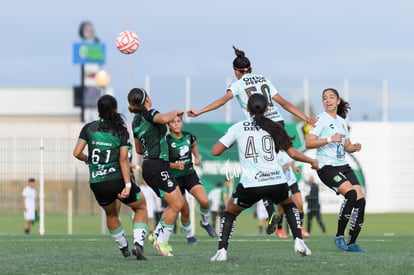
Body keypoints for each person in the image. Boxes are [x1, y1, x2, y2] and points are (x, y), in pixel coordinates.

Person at [187, 45, 317, 233]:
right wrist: (306, 118)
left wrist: (199, 111)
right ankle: (283, 206)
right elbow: (285, 103)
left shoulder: (238, 84)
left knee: (259, 169)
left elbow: (222, 101)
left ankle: (272, 210)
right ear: (251, 69)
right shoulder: (264, 79)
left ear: (236, 71)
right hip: (278, 124)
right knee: (278, 162)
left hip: (261, 125)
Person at [210, 94, 318, 261]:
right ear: (268, 108)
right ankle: (299, 240)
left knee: (230, 212)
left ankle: (221, 251)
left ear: (247, 108)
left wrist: (232, 141)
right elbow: (293, 153)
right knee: (289, 205)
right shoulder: (275, 127)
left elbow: (215, 151)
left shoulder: (238, 127)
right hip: (277, 181)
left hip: (251, 183)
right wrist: (312, 160)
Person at [73, 94, 148, 260]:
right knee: (141, 207)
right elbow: (123, 160)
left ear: (99, 111)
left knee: (111, 215)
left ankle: (124, 247)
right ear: (115, 109)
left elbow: (77, 153)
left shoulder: (89, 128)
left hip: (97, 182)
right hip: (117, 180)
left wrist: (89, 160)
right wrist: (128, 185)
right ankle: (138, 244)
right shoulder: (121, 130)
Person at [305, 88, 366, 253]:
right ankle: (339, 236)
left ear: (338, 101)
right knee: (351, 194)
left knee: (361, 200)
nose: (328, 100)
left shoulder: (341, 121)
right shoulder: (319, 119)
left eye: (331, 97)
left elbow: (346, 145)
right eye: (324, 98)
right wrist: (330, 139)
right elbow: (309, 143)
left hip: (343, 166)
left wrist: (353, 148)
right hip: (327, 167)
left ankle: (352, 243)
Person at [127, 87, 184, 256]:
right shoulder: (150, 113)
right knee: (177, 204)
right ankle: (161, 242)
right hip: (156, 166)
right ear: (147, 100)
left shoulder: (136, 121)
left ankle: (157, 235)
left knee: (177, 201)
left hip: (150, 166)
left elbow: (138, 149)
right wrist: (177, 111)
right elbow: (166, 118)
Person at [166, 115, 217, 244]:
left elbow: (193, 145)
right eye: (173, 122)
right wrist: (175, 165)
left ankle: (205, 222)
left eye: (179, 121)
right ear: (169, 125)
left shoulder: (188, 136)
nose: (177, 124)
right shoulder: (166, 141)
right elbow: (162, 162)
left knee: (204, 201)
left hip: (189, 174)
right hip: (175, 179)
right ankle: (189, 235)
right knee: (185, 210)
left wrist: (197, 158)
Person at [274, 151, 310, 238]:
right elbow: (273, 170)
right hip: (281, 183)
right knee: (281, 209)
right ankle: (279, 229)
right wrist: (285, 166)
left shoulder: (287, 151)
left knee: (300, 206)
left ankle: (299, 227)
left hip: (292, 182)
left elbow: (291, 162)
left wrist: (294, 168)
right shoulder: (274, 154)